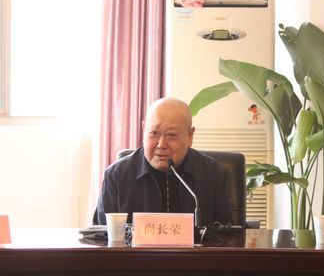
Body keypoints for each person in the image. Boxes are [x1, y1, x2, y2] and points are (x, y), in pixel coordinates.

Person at [94, 97, 232, 226]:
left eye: (171, 135)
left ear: (190, 136)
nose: (161, 144)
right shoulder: (117, 176)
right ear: (144, 130)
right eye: (154, 133)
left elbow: (227, 236)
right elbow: (100, 236)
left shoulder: (214, 174)